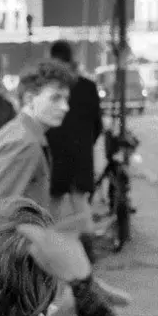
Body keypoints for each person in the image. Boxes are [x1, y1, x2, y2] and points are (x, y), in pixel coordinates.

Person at [0, 61, 72, 213]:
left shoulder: (20, 133)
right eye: (55, 98)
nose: (65, 107)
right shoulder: (23, 142)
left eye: (66, 99)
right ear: (29, 99)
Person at [45, 41, 103, 219]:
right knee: (80, 201)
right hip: (80, 151)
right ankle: (87, 236)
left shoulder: (50, 87)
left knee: (53, 202)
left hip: (55, 150)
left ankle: (48, 235)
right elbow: (98, 124)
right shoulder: (88, 86)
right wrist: (85, 142)